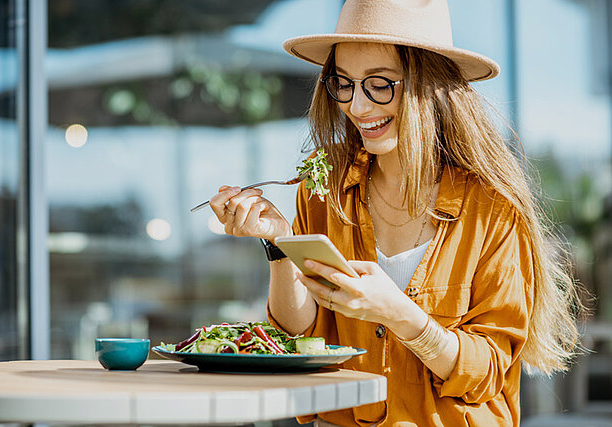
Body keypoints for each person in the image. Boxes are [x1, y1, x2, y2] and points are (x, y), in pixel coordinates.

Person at [209, 0, 583, 425]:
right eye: (343, 83)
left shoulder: (491, 209)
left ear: (430, 85)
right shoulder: (323, 188)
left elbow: (488, 371)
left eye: (380, 84)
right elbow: (301, 339)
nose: (358, 106)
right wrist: (279, 243)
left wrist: (398, 314)